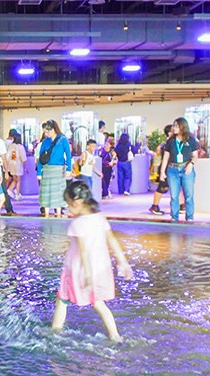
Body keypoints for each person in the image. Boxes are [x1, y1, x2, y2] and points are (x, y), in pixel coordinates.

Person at [51, 179, 134, 342]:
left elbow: (83, 252)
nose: (68, 208)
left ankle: (55, 331)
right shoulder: (99, 218)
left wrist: (87, 276)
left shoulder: (78, 224)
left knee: (62, 299)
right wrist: (123, 263)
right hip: (100, 268)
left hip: (78, 270)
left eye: (68, 204)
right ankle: (115, 335)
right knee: (99, 303)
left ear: (78, 202)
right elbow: (112, 240)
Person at [159, 117, 200, 223]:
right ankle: (174, 217)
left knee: (189, 195)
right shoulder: (171, 141)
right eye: (174, 126)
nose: (174, 128)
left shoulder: (191, 140)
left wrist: (191, 164)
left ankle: (190, 218)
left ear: (183, 127)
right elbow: (166, 157)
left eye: (176, 126)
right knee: (174, 196)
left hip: (186, 169)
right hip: (172, 169)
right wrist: (162, 172)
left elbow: (195, 155)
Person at [36, 120, 71, 217]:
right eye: (45, 132)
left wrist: (68, 169)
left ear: (54, 129)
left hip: (58, 170)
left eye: (47, 131)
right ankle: (46, 213)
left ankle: (58, 213)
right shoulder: (45, 142)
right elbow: (41, 157)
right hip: (47, 170)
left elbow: (68, 155)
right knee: (46, 192)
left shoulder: (63, 139)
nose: (46, 134)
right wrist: (39, 172)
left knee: (58, 192)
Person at [148, 124, 173, 215]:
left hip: (170, 167)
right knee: (162, 187)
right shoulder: (167, 143)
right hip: (166, 168)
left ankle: (182, 205)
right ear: (169, 133)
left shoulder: (166, 143)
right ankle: (154, 206)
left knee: (178, 186)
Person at [4, 130, 24, 204]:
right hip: (16, 165)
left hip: (9, 164)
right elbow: (23, 157)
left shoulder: (5, 142)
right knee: (16, 180)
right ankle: (13, 192)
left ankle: (9, 192)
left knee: (11, 179)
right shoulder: (19, 146)